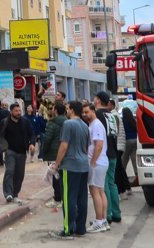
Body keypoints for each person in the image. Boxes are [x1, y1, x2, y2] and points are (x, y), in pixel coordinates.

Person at [49, 101, 90, 240]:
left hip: (70, 165)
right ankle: (80, 228)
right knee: (82, 197)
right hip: (84, 165)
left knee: (68, 198)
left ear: (72, 110)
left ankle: (68, 229)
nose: (66, 111)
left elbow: (64, 145)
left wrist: (57, 163)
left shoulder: (68, 124)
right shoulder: (85, 125)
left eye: (67, 108)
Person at [94, 91, 121, 224]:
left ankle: (108, 214)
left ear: (98, 100)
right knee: (112, 183)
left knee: (103, 186)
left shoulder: (97, 115)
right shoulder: (112, 115)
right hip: (113, 153)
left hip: (103, 154)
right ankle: (116, 213)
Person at [82, 103, 109, 233]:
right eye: (83, 112)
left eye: (87, 112)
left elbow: (98, 145)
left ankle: (99, 221)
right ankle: (103, 220)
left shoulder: (96, 125)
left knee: (95, 192)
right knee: (100, 191)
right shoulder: (93, 124)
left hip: (97, 163)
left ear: (93, 111)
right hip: (100, 162)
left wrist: (92, 162)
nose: (84, 114)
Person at [1, 102, 35, 204]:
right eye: (16, 111)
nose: (18, 112)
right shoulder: (5, 122)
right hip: (10, 151)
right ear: (11, 111)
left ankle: (15, 194)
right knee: (10, 171)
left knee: (20, 174)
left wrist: (32, 144)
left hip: (22, 152)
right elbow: (0, 136)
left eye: (19, 110)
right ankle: (8, 194)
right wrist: (4, 148)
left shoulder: (25, 122)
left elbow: (31, 134)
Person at [41, 102, 67, 208]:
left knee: (55, 176)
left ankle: (57, 198)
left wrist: (44, 151)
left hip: (53, 153)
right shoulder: (68, 121)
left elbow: (47, 139)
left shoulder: (52, 123)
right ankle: (62, 197)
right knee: (62, 176)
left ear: (55, 110)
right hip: (65, 153)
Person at [121, 106, 138, 184]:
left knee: (124, 158)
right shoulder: (133, 120)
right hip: (135, 140)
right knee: (134, 158)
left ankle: (122, 174)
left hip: (127, 141)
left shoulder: (123, 121)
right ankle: (137, 175)